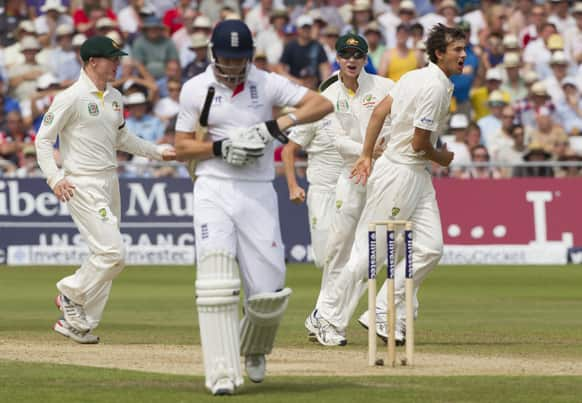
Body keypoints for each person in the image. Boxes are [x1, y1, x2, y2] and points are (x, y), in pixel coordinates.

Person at [173, 20, 334, 395]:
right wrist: (219, 148)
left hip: (258, 189)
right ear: (214, 55)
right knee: (215, 278)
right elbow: (181, 146)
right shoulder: (196, 89)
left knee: (268, 289)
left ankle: (255, 348)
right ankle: (221, 373)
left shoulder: (266, 82)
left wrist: (273, 128)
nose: (232, 67)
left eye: (239, 59)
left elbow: (321, 103)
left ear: (250, 57)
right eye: (226, 59)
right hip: (213, 187)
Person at [314, 24, 464, 347]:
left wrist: (368, 154)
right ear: (440, 53)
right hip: (399, 173)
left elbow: (380, 111)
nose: (464, 56)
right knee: (369, 254)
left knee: (429, 248)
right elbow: (420, 141)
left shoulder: (416, 76)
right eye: (457, 50)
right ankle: (325, 315)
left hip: (416, 175)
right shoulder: (433, 87)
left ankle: (382, 308)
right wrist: (443, 157)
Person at [34, 36, 176, 345]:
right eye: (112, 58)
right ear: (92, 62)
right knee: (113, 253)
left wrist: (157, 151)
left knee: (104, 255)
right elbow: (43, 140)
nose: (118, 63)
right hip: (80, 182)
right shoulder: (70, 97)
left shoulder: (115, 97)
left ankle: (80, 323)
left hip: (110, 181)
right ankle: (70, 293)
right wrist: (55, 178)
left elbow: (122, 140)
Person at [303, 33, 394, 346]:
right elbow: (337, 141)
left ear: (365, 58)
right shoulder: (328, 94)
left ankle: (326, 316)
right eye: (345, 55)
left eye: (357, 55)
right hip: (351, 176)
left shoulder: (384, 87)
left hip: (381, 178)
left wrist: (384, 152)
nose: (352, 60)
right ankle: (323, 315)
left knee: (369, 255)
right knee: (338, 251)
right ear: (337, 57)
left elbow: (399, 124)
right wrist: (368, 150)